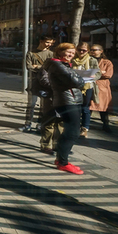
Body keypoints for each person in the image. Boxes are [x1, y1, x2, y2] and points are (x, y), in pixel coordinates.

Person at [44, 42, 85, 174]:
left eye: (73, 53)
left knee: (70, 131)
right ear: (60, 52)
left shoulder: (63, 65)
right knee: (72, 133)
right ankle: (62, 162)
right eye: (68, 52)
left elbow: (74, 80)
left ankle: (61, 159)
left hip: (72, 100)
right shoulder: (57, 64)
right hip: (67, 102)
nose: (70, 55)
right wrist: (81, 79)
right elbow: (77, 81)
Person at [22, 36, 55, 132]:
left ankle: (40, 123)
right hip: (34, 81)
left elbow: (52, 67)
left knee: (43, 105)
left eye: (50, 43)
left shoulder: (51, 54)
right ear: (41, 41)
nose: (49, 44)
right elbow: (29, 67)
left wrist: (38, 66)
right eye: (47, 42)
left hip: (45, 82)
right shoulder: (31, 53)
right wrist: (44, 67)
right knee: (31, 104)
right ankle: (28, 123)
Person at [71, 42, 99, 137]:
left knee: (85, 108)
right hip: (74, 86)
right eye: (79, 50)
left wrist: (93, 76)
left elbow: (98, 73)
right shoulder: (72, 59)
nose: (81, 52)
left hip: (87, 86)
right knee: (75, 107)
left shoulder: (92, 60)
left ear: (88, 51)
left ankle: (84, 128)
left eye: (84, 50)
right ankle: (74, 127)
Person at [88, 44, 114, 132]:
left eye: (95, 50)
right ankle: (85, 125)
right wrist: (100, 72)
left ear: (101, 51)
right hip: (90, 85)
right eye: (91, 50)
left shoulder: (107, 62)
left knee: (103, 106)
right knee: (89, 106)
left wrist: (95, 73)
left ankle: (106, 124)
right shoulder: (88, 60)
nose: (92, 52)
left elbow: (108, 74)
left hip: (102, 86)